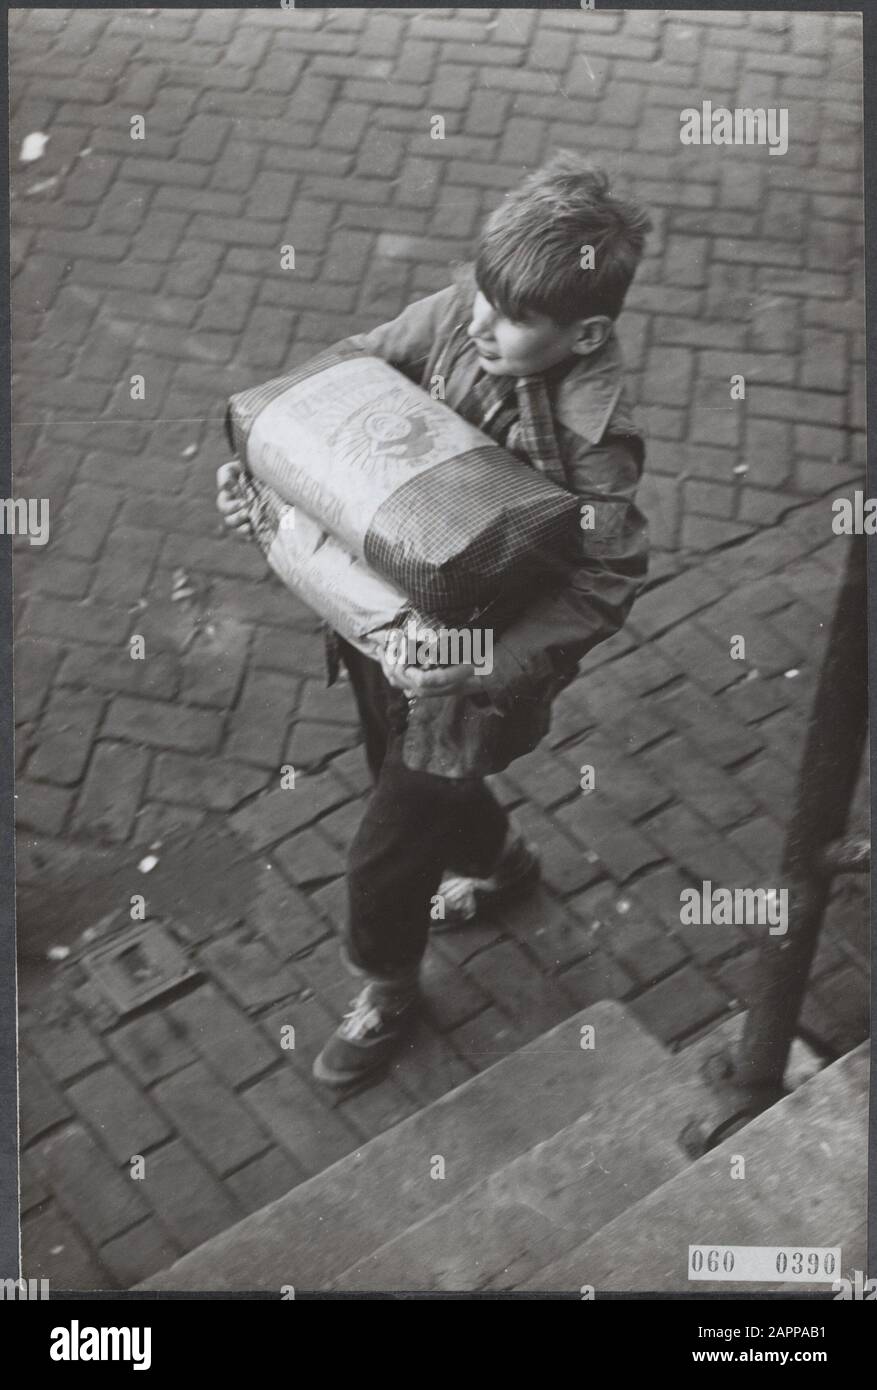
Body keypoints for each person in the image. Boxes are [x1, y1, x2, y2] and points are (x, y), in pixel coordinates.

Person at [217, 153, 651, 1087]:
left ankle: (386, 990)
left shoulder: (594, 442)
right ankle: (504, 868)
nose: (480, 325)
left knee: (386, 852)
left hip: (470, 686)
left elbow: (605, 578)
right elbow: (353, 372)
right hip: (377, 631)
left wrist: (476, 670)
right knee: (396, 768)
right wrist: (272, 463)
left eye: (512, 318)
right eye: (481, 296)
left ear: (587, 334)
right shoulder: (464, 308)